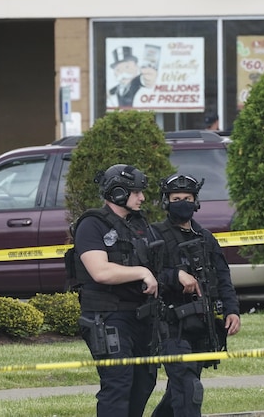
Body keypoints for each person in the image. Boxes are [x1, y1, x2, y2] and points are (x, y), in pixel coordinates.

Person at [70, 164, 165, 417]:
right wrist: (142, 273)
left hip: (141, 316)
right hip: (107, 317)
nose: (142, 197)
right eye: (136, 192)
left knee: (144, 382)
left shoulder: (138, 225)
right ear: (118, 192)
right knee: (118, 384)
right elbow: (100, 271)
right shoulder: (92, 224)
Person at [150, 173, 240, 417]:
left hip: (201, 325)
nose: (182, 202)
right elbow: (145, 277)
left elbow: (223, 277)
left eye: (187, 198)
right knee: (189, 389)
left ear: (196, 201)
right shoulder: (155, 235)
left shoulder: (205, 238)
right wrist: (175, 275)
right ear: (166, 201)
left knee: (180, 390)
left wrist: (232, 310)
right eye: (176, 198)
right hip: (171, 326)